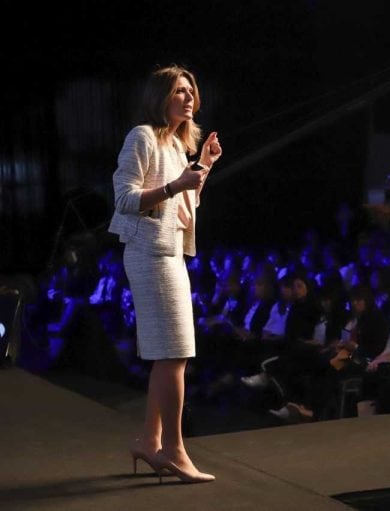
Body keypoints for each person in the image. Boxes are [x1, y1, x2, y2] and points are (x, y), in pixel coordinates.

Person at [109, 65, 221, 484]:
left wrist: (203, 165)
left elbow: (186, 203)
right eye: (179, 90)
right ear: (161, 96)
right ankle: (174, 449)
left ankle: (148, 440)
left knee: (168, 353)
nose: (189, 97)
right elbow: (123, 198)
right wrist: (175, 185)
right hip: (149, 253)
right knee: (175, 353)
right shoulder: (142, 137)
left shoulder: (176, 144)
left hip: (170, 252)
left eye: (191, 90)